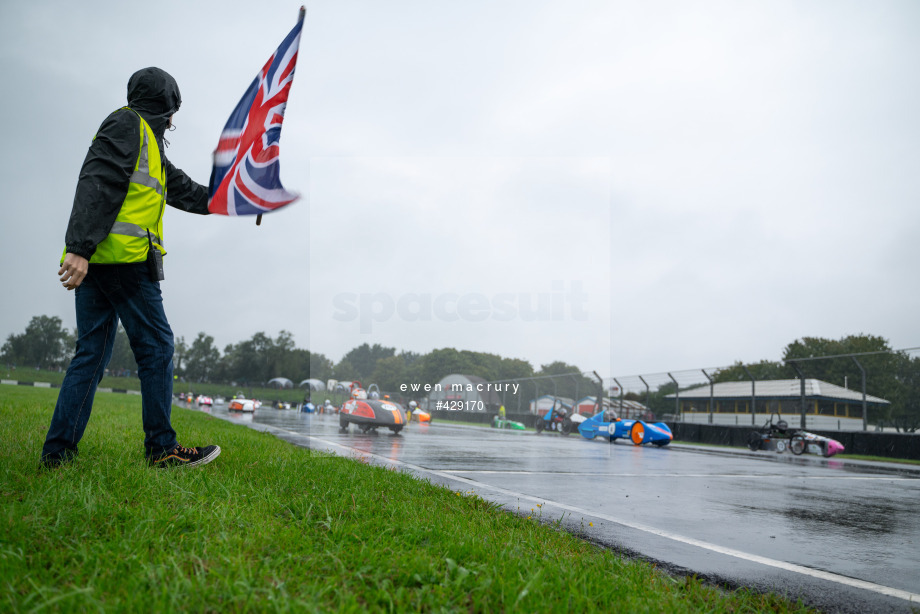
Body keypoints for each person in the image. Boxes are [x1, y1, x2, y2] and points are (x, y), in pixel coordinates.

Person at [41, 67, 220, 469]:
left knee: (90, 355)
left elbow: (184, 190)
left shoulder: (149, 144)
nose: (175, 119)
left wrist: (230, 200)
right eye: (174, 109)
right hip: (124, 261)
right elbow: (97, 180)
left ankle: (57, 454)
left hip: (103, 263)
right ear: (166, 104)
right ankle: (162, 448)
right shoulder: (127, 124)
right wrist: (79, 247)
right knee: (157, 347)